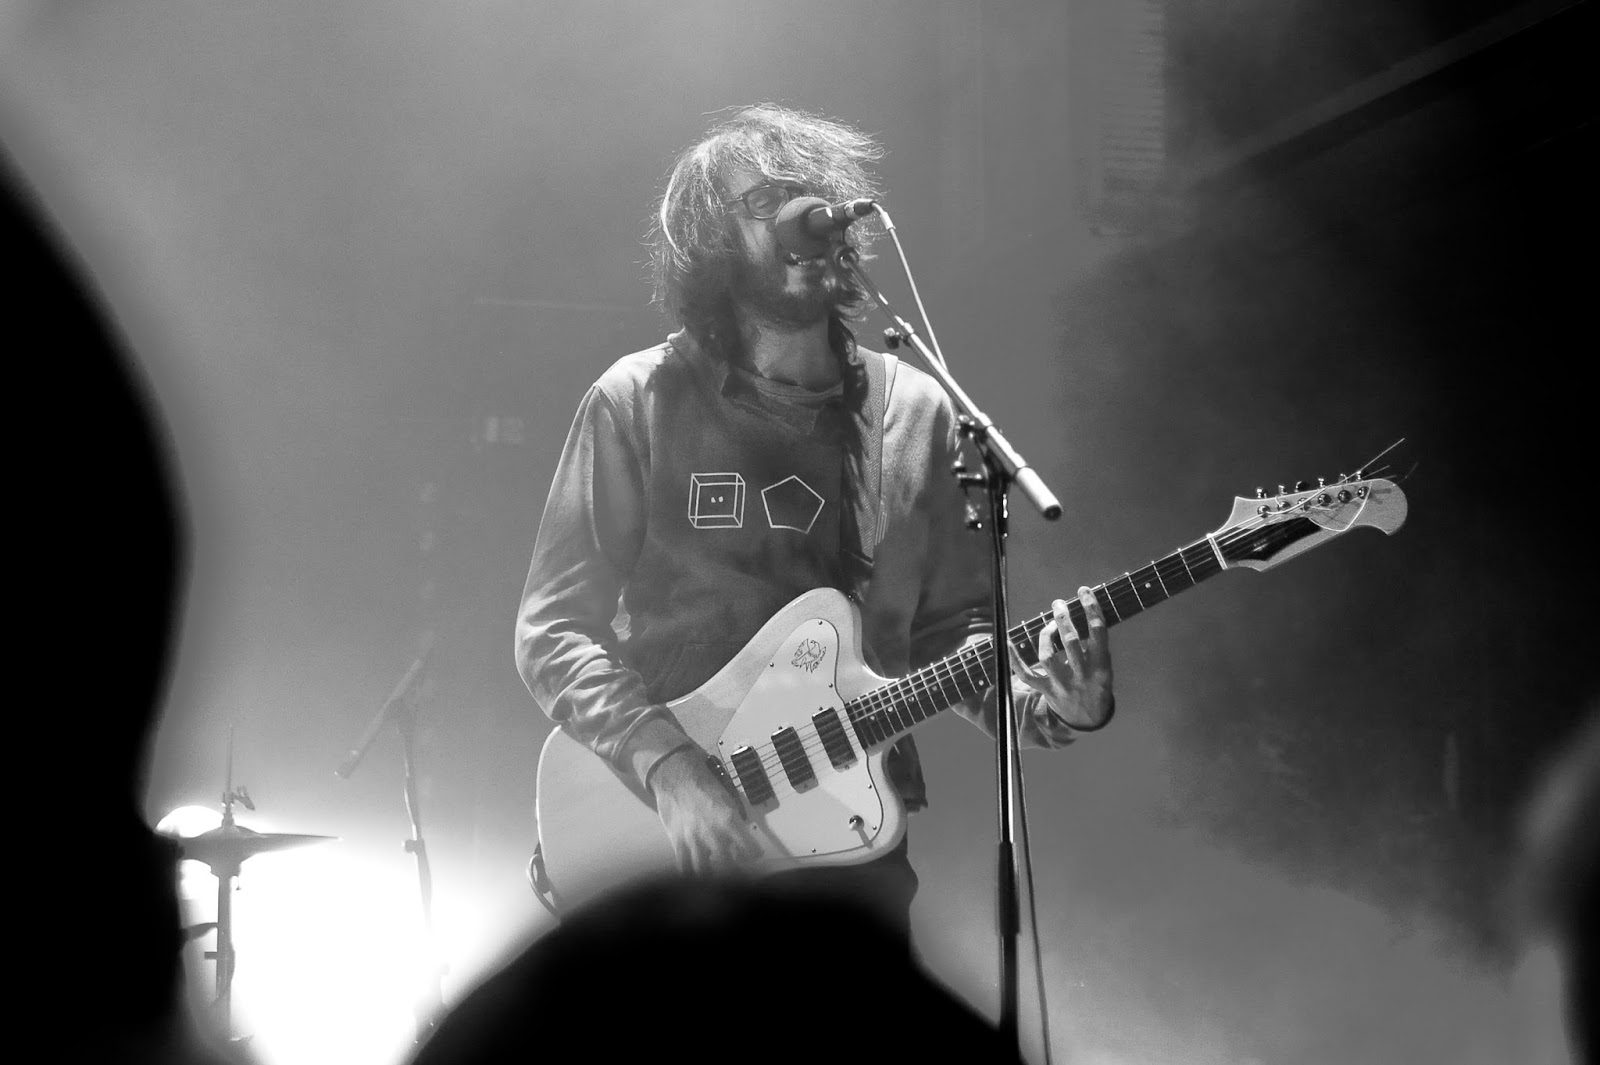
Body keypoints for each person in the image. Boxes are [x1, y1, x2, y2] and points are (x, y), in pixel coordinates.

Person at [514, 104, 1115, 932]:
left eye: (813, 194)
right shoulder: (639, 400)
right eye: (766, 201)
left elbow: (953, 629)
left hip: (853, 842)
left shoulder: (914, 411)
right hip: (676, 842)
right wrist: (671, 768)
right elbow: (552, 630)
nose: (806, 214)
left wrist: (1046, 706)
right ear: (714, 242)